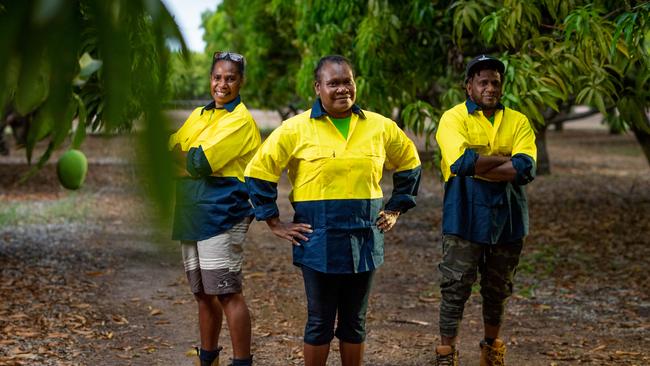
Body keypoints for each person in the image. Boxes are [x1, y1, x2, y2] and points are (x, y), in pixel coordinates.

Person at [244, 55, 421, 366]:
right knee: (320, 321)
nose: (342, 89)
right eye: (333, 83)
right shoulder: (295, 129)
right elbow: (259, 169)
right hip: (317, 240)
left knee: (354, 322)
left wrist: (395, 208)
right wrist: (273, 221)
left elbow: (409, 161)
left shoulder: (379, 126)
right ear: (318, 88)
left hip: (364, 237)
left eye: (347, 81)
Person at [433, 54, 537, 366]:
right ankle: (446, 353)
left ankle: (491, 350)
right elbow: (460, 163)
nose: (490, 87)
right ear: (469, 87)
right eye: (483, 82)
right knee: (455, 286)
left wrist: (479, 162)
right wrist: (503, 158)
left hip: (508, 214)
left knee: (498, 288)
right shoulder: (453, 119)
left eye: (495, 82)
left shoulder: (518, 121)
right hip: (463, 211)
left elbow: (526, 168)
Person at [168, 51, 260, 366]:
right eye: (218, 77)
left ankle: (241, 362)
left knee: (226, 292)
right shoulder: (200, 114)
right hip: (192, 209)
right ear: (210, 79)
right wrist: (184, 158)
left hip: (222, 213)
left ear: (241, 82)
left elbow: (198, 162)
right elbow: (171, 148)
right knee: (202, 294)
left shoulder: (240, 120)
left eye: (230, 78)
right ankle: (208, 358)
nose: (223, 84)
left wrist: (186, 158)